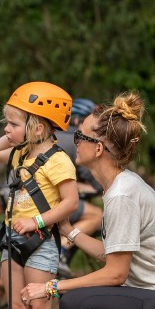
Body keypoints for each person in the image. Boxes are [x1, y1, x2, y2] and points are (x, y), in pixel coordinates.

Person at [22, 92, 155, 309]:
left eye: (80, 135)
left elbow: (115, 273)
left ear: (99, 148)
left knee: (74, 304)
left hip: (149, 302)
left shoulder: (123, 194)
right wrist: (69, 230)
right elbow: (114, 254)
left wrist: (52, 287)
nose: (74, 140)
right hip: (143, 305)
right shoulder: (119, 187)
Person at [0, 82, 78, 309]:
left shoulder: (59, 161)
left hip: (41, 242)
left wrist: (37, 220)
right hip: (12, 242)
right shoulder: (19, 155)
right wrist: (15, 133)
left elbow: (70, 202)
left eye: (13, 123)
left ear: (37, 125)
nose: (7, 129)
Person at [55, 98, 104, 277]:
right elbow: (95, 184)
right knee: (97, 216)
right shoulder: (77, 141)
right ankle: (61, 250)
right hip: (54, 204)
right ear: (80, 120)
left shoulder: (51, 135)